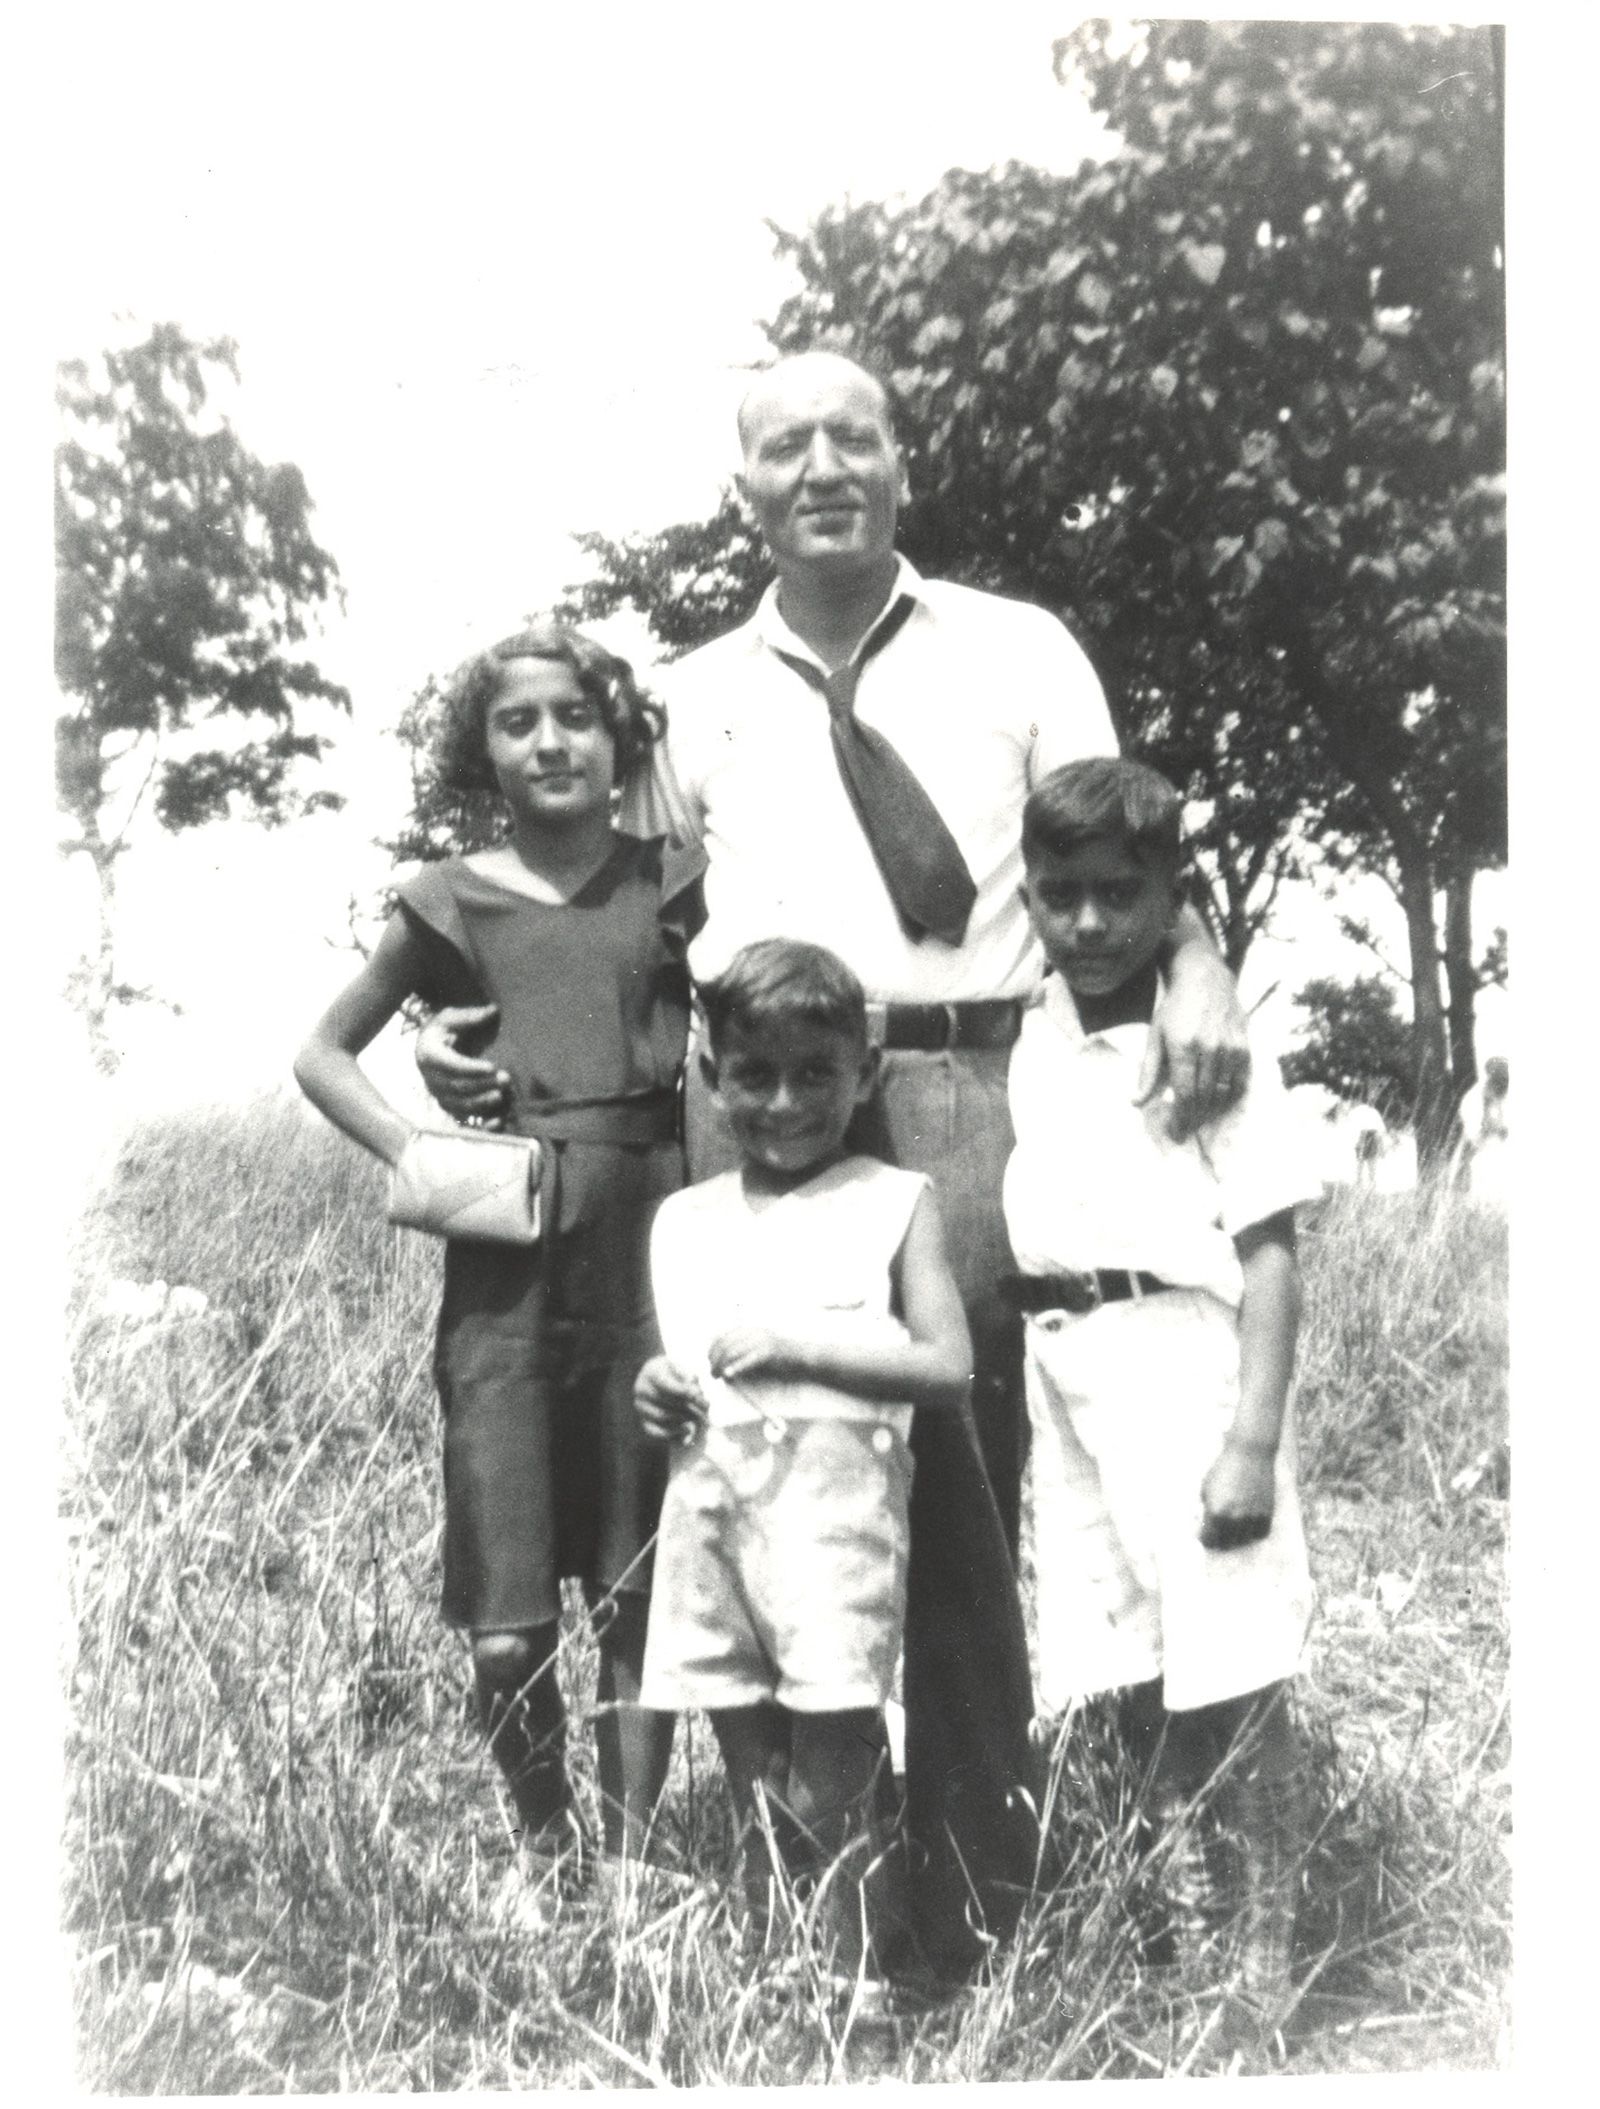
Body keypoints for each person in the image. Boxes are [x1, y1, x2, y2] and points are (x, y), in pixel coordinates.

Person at [414, 349, 1249, 1978]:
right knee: (778, 1482)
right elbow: (597, 895)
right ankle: (822, 1884)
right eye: (784, 444)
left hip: (977, 1088)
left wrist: (1201, 962)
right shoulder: (696, 688)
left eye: (851, 435)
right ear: (746, 490)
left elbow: (1127, 843)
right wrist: (459, 1033)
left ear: (901, 465)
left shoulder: (1021, 648)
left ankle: (978, 1886)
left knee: (965, 1474)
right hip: (769, 1109)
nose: (822, 465)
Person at [294, 620, 700, 1904]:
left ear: (618, 731)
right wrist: (427, 1141)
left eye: (575, 715)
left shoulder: (680, 878)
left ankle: (631, 1884)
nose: (550, 742)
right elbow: (321, 1056)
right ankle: (548, 1851)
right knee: (508, 1625)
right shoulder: (446, 897)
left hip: (654, 1252)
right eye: (517, 722)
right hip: (509, 1279)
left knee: (640, 1599)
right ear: (484, 751)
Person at [1003, 756, 1321, 2039]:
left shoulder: (1208, 1043)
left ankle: (1268, 1959)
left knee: (1235, 1671)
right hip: (1065, 1367)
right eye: (1061, 894)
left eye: (1118, 896)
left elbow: (1271, 1251)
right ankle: (1184, 1932)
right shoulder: (1032, 1022)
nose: (1088, 923)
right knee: (1128, 1668)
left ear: (1168, 897)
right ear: (1025, 894)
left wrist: (1250, 1442)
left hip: (1186, 1364)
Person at [632, 938, 972, 2002]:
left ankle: (858, 1981)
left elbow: (948, 1368)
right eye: (754, 1076)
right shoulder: (683, 1220)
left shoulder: (894, 1198)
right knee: (758, 1784)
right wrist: (658, 1390)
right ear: (710, 1076)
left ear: (864, 1073)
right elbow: (685, 1372)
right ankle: (776, 1980)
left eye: (815, 1075)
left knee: (834, 1778)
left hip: (834, 1531)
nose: (784, 1102)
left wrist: (798, 1345)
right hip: (713, 1526)